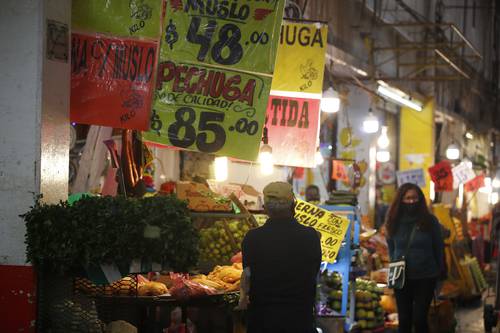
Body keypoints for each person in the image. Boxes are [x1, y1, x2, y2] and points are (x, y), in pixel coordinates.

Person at [239, 181, 322, 333]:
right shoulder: (312, 236)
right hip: (299, 322)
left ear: (265, 210)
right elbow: (315, 272)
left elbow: (247, 278)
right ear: (294, 206)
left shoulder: (252, 238)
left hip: (262, 322)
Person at [385, 183, 444, 333]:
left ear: (420, 199)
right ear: (401, 200)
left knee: (419, 319)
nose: (411, 201)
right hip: (401, 277)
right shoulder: (394, 220)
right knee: (404, 319)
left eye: (415, 198)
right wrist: (394, 266)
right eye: (408, 198)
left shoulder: (430, 221)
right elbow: (391, 247)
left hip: (426, 276)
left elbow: (438, 246)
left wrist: (441, 272)